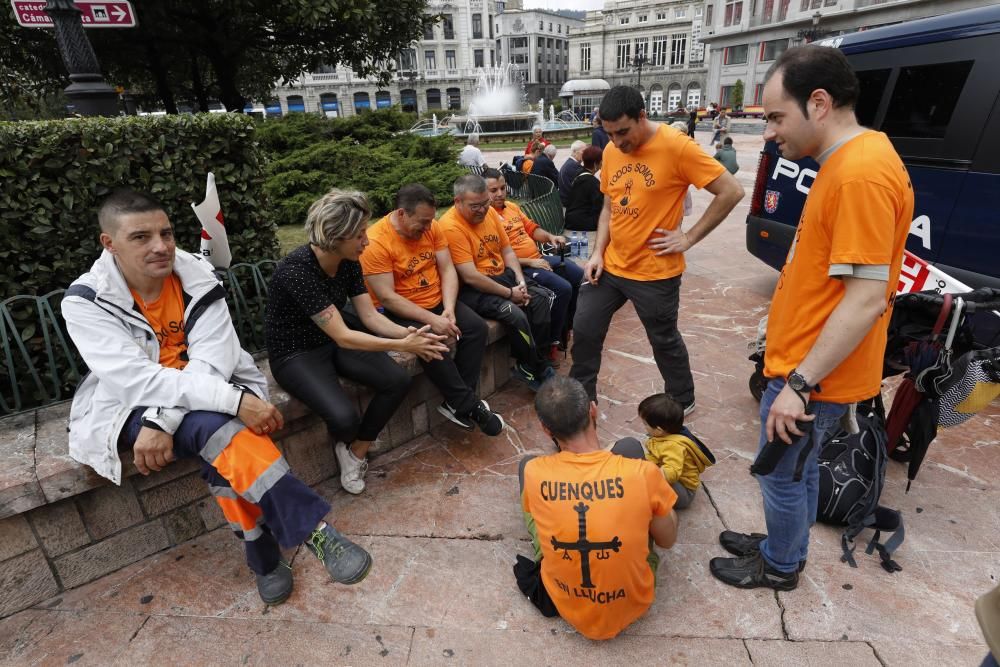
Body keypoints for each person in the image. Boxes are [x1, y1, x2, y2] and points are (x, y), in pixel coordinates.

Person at [62, 188, 373, 606]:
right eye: (141, 237)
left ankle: (264, 560)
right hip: (130, 407)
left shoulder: (196, 274)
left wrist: (165, 422)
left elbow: (211, 360)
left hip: (200, 393)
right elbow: (136, 382)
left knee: (217, 441)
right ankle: (312, 529)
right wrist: (231, 402)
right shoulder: (86, 301)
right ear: (109, 243)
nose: (161, 246)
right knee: (219, 426)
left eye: (167, 233)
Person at [710, 45, 914, 591]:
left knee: (781, 474)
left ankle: (780, 567)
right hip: (803, 365)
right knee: (791, 473)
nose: (771, 131)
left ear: (818, 103)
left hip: (813, 377)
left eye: (777, 116)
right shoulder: (847, 162)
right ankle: (783, 545)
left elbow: (866, 298)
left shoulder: (860, 176)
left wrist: (799, 385)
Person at [569, 85, 744, 411]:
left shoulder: (677, 147)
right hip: (611, 266)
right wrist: (596, 253)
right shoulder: (610, 151)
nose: (617, 142)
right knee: (585, 328)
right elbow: (608, 207)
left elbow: (731, 191)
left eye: (622, 132)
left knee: (663, 339)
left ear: (642, 117)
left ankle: (682, 398)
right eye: (609, 134)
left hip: (655, 271)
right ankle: (583, 401)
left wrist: (689, 238)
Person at [266, 189, 450, 496]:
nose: (367, 241)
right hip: (296, 352)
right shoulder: (296, 271)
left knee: (396, 379)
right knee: (344, 418)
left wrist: (410, 335)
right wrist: (405, 346)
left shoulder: (349, 260)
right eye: (360, 235)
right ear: (335, 235)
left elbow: (369, 316)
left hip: (334, 337)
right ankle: (349, 440)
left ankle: (356, 453)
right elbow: (343, 335)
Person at [514, 376, 679, 640]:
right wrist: (657, 501)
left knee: (525, 464)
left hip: (564, 599)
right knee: (629, 447)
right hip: (634, 599)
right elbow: (668, 540)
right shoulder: (643, 473)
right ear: (593, 410)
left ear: (546, 430)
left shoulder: (535, 472)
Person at [360, 183, 505, 435]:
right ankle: (469, 405)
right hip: (401, 310)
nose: (428, 228)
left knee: (476, 328)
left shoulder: (431, 226)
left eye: (430, 221)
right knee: (432, 343)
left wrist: (448, 309)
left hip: (438, 299)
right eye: (423, 222)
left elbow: (447, 269)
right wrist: (432, 319)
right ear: (402, 214)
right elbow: (388, 298)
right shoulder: (376, 242)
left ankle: (456, 403)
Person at [439, 174, 554, 390]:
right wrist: (510, 293)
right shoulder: (450, 226)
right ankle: (537, 366)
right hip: (475, 288)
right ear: (458, 202)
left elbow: (507, 250)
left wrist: (520, 282)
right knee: (516, 314)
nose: (483, 210)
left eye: (485, 203)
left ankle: (530, 364)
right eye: (475, 206)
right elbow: (470, 276)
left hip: (503, 276)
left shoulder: (490, 212)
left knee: (541, 300)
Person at [484, 168, 584, 357]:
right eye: (493, 190)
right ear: (484, 192)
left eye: (503, 188)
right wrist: (530, 262)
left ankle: (566, 327)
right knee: (562, 288)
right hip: (521, 268)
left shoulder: (512, 207)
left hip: (538, 258)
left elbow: (532, 229)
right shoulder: (486, 216)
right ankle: (551, 344)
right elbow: (498, 256)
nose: (500, 194)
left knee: (578, 274)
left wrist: (551, 237)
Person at [638, 393, 715, 509]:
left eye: (645, 424)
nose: (644, 426)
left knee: (645, 485)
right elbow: (656, 455)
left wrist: (646, 475)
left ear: (659, 430)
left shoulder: (673, 446)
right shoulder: (669, 432)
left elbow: (671, 473)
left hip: (684, 493)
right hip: (678, 483)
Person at [564, 145, 604, 233]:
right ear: (595, 164)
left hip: (571, 220)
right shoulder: (592, 182)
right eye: (601, 161)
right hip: (583, 223)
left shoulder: (578, 174)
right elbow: (601, 206)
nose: (602, 163)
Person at [557, 140, 587, 206]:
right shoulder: (574, 166)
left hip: (566, 199)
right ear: (574, 152)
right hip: (570, 203)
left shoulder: (570, 163)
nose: (586, 154)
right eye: (584, 151)